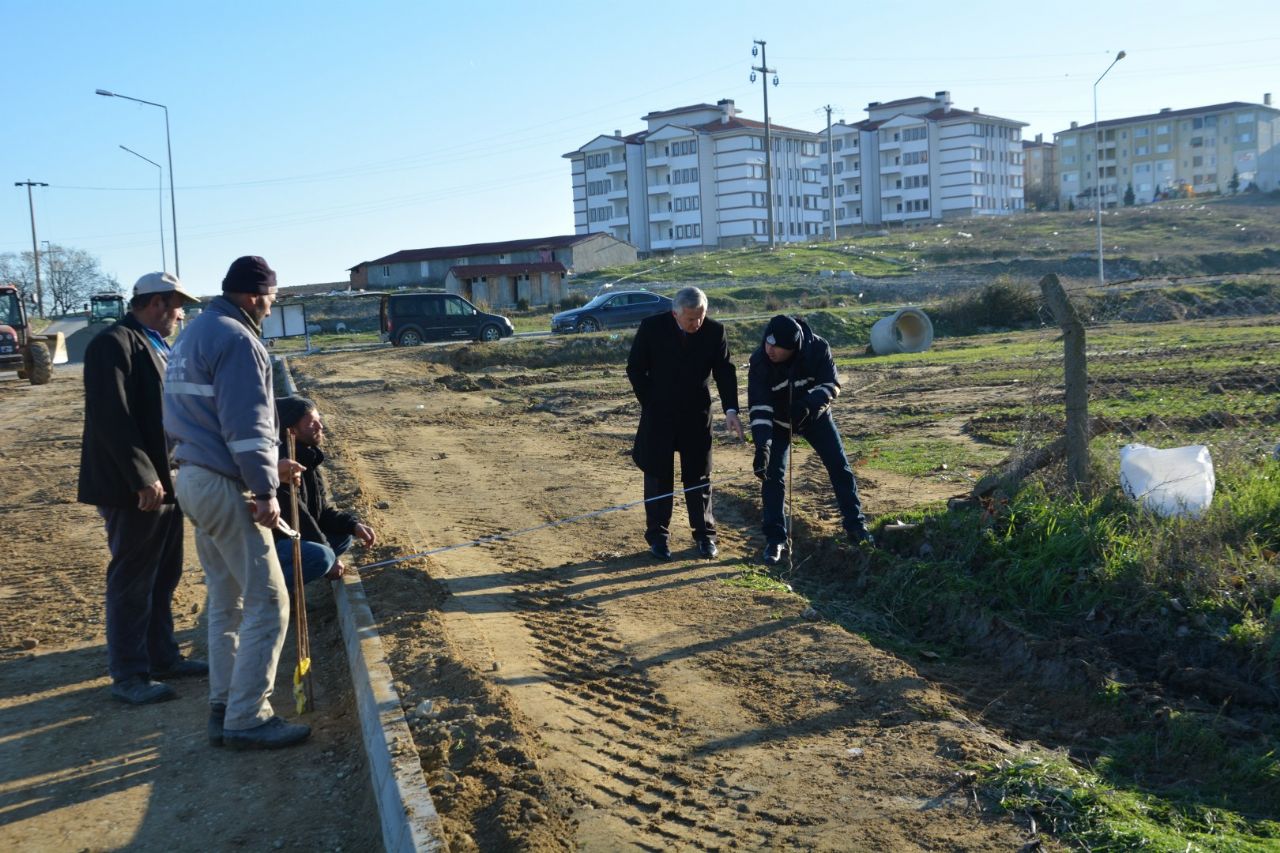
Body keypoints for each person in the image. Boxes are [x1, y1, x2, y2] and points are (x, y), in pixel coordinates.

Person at [164, 255, 310, 750]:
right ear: (253, 295)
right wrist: (266, 490)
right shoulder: (239, 340)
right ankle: (248, 717)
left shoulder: (192, 336)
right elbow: (247, 428)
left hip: (193, 477)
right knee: (270, 601)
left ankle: (223, 705)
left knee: (228, 602)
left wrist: (267, 469)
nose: (271, 307)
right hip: (223, 485)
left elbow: (206, 421)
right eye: (270, 298)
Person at [77, 272, 206, 704]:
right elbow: (111, 416)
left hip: (166, 480)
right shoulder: (112, 344)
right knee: (133, 578)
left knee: (164, 574)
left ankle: (162, 655)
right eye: (176, 306)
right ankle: (129, 674)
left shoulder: (155, 343)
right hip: (133, 487)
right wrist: (142, 475)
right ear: (156, 303)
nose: (180, 314)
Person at [626, 286, 742, 560]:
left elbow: (725, 371)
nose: (697, 324)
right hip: (659, 415)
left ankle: (705, 536)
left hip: (696, 415)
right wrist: (651, 402)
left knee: (699, 477)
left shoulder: (714, 331)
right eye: (691, 319)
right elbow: (635, 368)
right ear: (675, 313)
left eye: (701, 317)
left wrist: (731, 409)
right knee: (658, 476)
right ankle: (658, 538)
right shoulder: (652, 328)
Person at [747, 315, 873, 566]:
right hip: (779, 423)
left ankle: (855, 525)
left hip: (815, 417)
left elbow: (831, 384)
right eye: (767, 343)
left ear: (793, 347)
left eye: (777, 346)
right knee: (772, 475)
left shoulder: (818, 348)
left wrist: (808, 405)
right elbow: (759, 407)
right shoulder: (759, 361)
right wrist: (763, 446)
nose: (769, 349)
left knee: (839, 466)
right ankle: (775, 539)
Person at [273, 395, 376, 587]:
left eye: (319, 420)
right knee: (322, 557)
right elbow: (299, 520)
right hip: (276, 542)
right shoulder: (284, 466)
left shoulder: (308, 458)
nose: (320, 426)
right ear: (291, 431)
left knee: (343, 536)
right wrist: (330, 558)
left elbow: (319, 511)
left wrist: (353, 525)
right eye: (312, 423)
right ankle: (268, 595)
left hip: (295, 537)